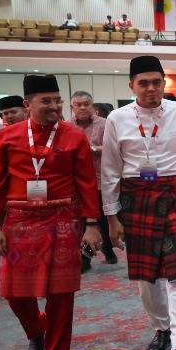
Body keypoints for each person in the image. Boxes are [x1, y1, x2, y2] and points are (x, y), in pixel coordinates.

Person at [0, 75, 100, 350]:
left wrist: (91, 224)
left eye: (57, 100)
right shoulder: (7, 138)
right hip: (19, 222)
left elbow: (87, 183)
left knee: (61, 295)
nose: (54, 106)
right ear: (28, 104)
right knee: (12, 291)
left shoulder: (74, 137)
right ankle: (36, 330)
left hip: (63, 220)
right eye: (46, 101)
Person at [101, 55, 176, 350]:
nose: (151, 89)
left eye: (157, 82)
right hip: (136, 200)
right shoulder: (117, 119)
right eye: (144, 83)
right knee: (147, 278)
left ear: (165, 83)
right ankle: (163, 327)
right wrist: (111, 216)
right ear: (131, 85)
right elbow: (109, 170)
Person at [68, 90, 117, 272]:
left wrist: (95, 149)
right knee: (83, 223)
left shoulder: (106, 124)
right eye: (78, 105)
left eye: (86, 104)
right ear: (72, 107)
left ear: (92, 106)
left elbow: (114, 147)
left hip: (100, 180)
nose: (82, 108)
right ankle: (86, 258)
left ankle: (107, 249)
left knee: (102, 220)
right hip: (76, 183)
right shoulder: (66, 127)